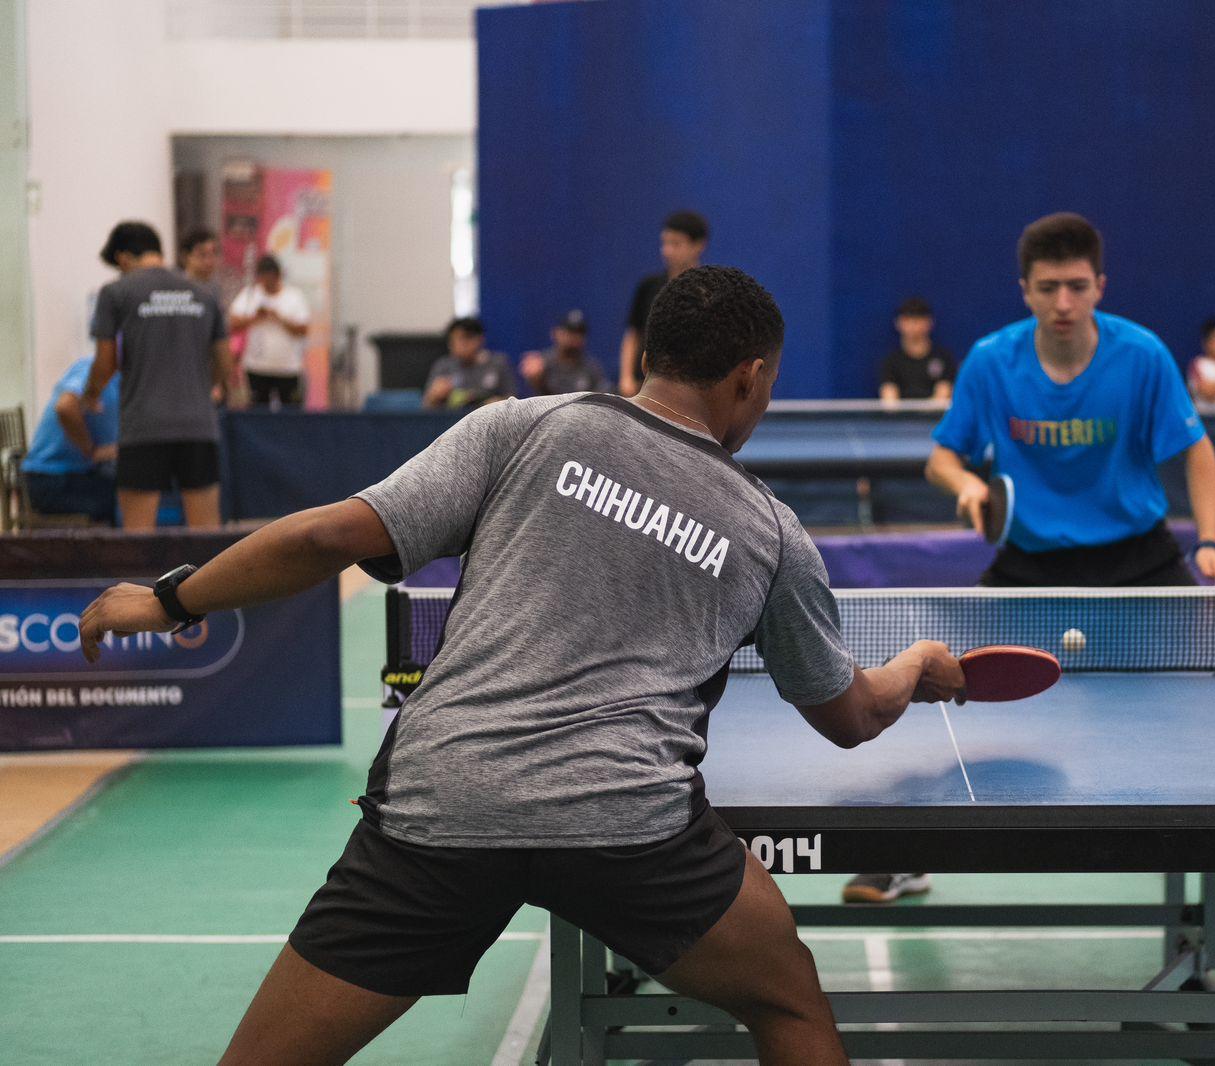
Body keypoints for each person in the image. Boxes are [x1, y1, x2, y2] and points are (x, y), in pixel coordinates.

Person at [77, 265, 965, 1066]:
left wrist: (168, 601)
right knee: (789, 1001)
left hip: (444, 806)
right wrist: (914, 664)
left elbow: (323, 537)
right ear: (752, 376)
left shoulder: (522, 426)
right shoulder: (770, 531)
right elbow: (851, 717)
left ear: (647, 354)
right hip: (627, 822)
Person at [842, 212, 1215, 906]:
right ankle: (905, 852)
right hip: (1028, 565)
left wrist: (1208, 541)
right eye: (1048, 288)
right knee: (942, 689)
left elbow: (1196, 451)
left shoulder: (1142, 356)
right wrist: (966, 486)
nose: (1063, 303)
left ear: (1100, 286)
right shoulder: (992, 361)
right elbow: (941, 457)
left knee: (1210, 696)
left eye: (1077, 287)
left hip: (1140, 562)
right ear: (1024, 289)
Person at [81, 220, 230, 530]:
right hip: (198, 427)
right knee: (206, 537)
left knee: (138, 538)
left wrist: (91, 394)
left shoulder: (115, 292)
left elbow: (106, 362)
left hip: (143, 428)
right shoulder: (203, 294)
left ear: (123, 258)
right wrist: (203, 388)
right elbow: (224, 363)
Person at [619, 211, 709, 397]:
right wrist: (626, 377)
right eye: (665, 243)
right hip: (644, 385)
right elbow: (634, 334)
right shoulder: (649, 286)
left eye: (676, 244)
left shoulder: (709, 289)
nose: (667, 251)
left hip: (690, 388)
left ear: (698, 245)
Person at [20, 358, 120, 524]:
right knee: (132, 498)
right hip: (51, 479)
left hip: (73, 476)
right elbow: (65, 406)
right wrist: (91, 451)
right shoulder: (92, 369)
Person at [229, 256, 311, 408]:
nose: (267, 283)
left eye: (270, 279)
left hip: (288, 368)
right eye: (263, 279)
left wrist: (279, 317)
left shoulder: (293, 296)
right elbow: (232, 324)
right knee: (257, 411)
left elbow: (303, 329)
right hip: (256, 367)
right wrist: (256, 317)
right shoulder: (250, 295)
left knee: (291, 412)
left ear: (278, 276)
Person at [423, 317, 517, 409]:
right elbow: (426, 405)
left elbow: (512, 398)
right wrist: (434, 396)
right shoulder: (443, 366)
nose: (459, 345)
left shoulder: (498, 363)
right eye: (454, 340)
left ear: (480, 339)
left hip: (489, 415)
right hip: (453, 417)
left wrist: (499, 403)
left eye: (466, 338)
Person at [878, 297, 957, 403]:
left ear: (929, 322)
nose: (913, 325)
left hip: (936, 414)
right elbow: (889, 401)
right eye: (908, 319)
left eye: (918, 319)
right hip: (901, 415)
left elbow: (941, 399)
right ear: (898, 323)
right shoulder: (891, 362)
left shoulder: (944, 359)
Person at [519, 309, 613, 395]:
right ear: (556, 333)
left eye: (579, 333)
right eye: (569, 332)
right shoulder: (542, 362)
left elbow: (602, 396)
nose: (574, 338)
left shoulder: (592, 367)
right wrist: (535, 380)